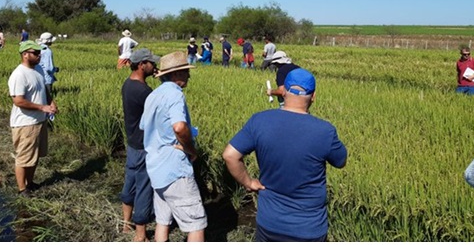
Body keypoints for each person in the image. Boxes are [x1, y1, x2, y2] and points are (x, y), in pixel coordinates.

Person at [223, 68, 347, 242]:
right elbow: (341, 161)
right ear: (313, 97)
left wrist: (249, 182)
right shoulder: (325, 131)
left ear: (284, 91)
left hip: (269, 223)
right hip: (308, 228)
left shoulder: (259, 121)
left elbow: (230, 155)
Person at [140, 51, 207, 242]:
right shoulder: (175, 94)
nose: (189, 75)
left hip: (156, 168)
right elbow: (179, 126)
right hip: (175, 171)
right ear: (176, 74)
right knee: (196, 224)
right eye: (186, 71)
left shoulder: (153, 95)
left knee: (163, 220)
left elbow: (144, 126)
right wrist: (190, 149)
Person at [120, 48, 160, 241]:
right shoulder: (144, 91)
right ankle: (140, 233)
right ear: (142, 65)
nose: (155, 66)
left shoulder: (128, 84)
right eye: (152, 63)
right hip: (145, 145)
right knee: (144, 186)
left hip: (133, 143)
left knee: (131, 180)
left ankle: (126, 223)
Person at [8, 41, 58, 197]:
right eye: (35, 53)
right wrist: (42, 107)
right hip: (25, 123)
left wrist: (51, 102)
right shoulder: (19, 74)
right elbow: (18, 101)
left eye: (39, 53)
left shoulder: (37, 69)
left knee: (35, 155)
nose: (39, 55)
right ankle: (22, 189)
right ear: (25, 55)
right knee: (24, 157)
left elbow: (44, 90)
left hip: (39, 121)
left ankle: (30, 183)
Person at [37, 32, 59, 97]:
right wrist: (55, 69)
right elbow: (49, 68)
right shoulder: (47, 51)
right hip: (47, 78)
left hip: (38, 76)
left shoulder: (38, 48)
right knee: (48, 97)